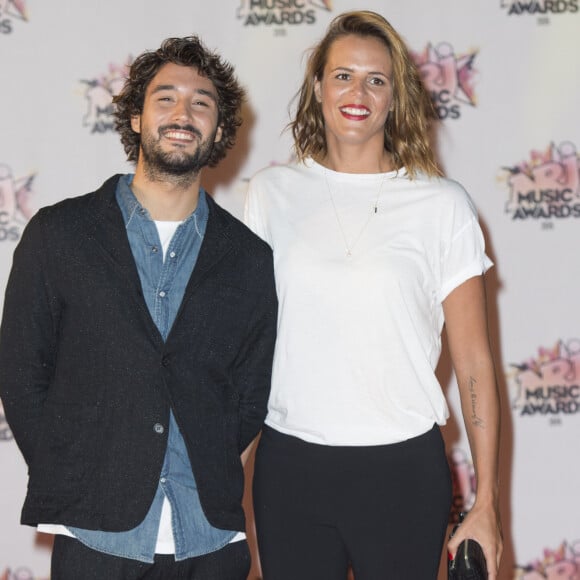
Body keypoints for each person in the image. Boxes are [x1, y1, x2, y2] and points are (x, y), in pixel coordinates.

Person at [0, 35, 277, 580]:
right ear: (134, 117)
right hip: (95, 536)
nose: (183, 113)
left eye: (202, 102)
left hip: (211, 538)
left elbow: (251, 395)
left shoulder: (248, 258)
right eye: (165, 97)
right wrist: (74, 473)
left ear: (219, 130)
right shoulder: (60, 235)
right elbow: (20, 371)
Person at [244, 10, 503, 580]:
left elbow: (475, 363)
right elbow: (247, 350)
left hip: (402, 471)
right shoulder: (270, 195)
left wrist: (486, 504)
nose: (357, 92)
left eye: (375, 79)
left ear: (394, 97)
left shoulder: (443, 206)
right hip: (290, 467)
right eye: (342, 76)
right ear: (317, 88)